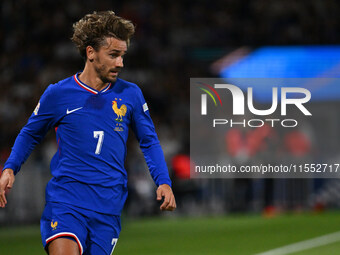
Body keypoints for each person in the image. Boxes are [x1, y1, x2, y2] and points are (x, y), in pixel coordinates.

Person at [0, 11, 176, 255]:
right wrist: (10, 168)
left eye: (122, 56)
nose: (120, 63)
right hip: (67, 201)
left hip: (108, 205)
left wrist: (164, 182)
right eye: (113, 55)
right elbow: (30, 133)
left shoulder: (131, 94)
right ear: (91, 52)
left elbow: (149, 141)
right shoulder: (59, 94)